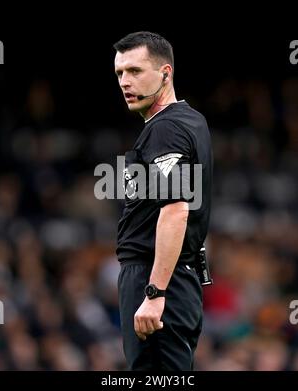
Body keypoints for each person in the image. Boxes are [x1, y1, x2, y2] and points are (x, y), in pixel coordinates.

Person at [114, 31, 213, 371]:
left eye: (136, 71)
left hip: (157, 280)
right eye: (120, 73)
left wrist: (154, 294)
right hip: (176, 278)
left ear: (166, 73)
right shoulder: (191, 120)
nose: (125, 81)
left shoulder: (166, 128)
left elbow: (175, 210)